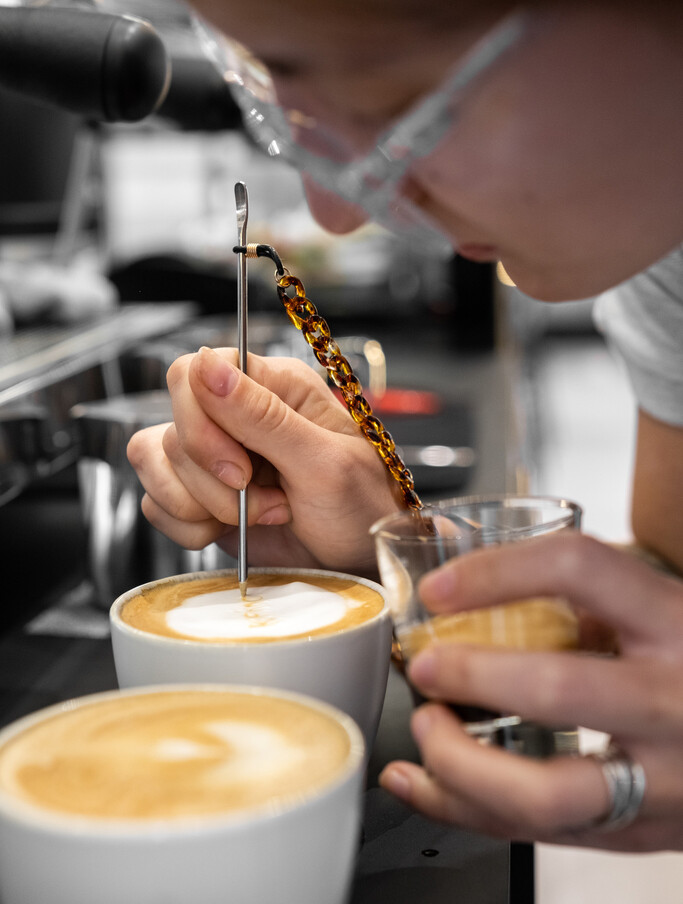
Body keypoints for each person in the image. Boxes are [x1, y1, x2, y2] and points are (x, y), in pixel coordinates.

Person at [127, 1, 683, 853]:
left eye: (393, 106)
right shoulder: (663, 251)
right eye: (290, 117)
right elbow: (668, 587)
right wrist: (392, 569)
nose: (335, 212)